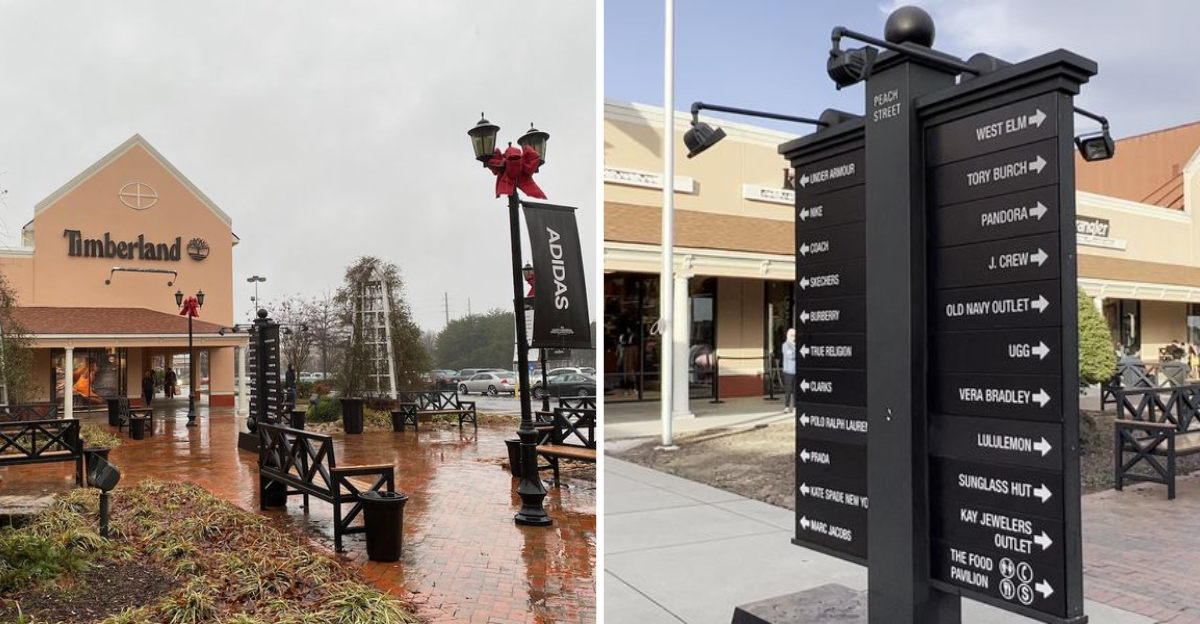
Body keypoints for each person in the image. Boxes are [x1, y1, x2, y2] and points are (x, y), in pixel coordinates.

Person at [782, 328, 797, 413]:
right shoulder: (785, 345)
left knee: (795, 390)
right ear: (788, 336)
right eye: (792, 335)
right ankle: (786, 406)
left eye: (794, 335)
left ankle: (795, 407)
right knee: (788, 390)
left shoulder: (796, 345)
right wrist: (796, 352)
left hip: (796, 371)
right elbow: (790, 356)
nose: (793, 337)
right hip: (788, 371)